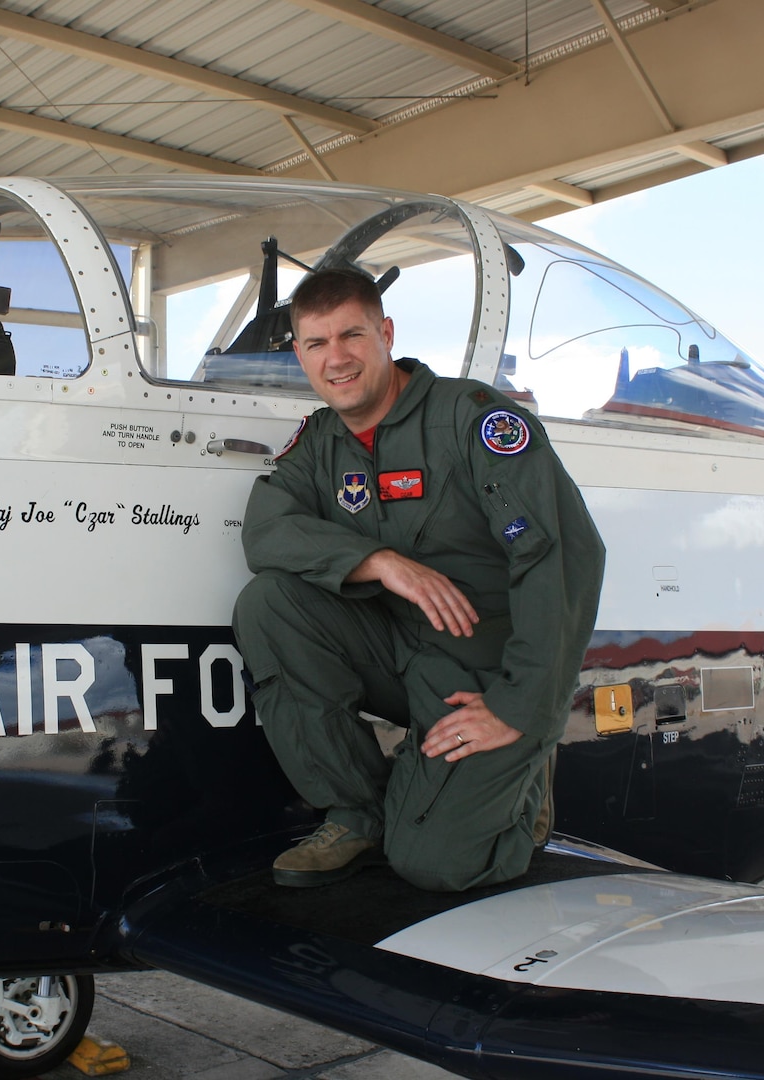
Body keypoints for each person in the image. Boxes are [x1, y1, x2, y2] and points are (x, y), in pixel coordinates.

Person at [233, 269, 605, 891]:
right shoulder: (322, 440)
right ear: (299, 354)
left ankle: (523, 793)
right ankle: (357, 811)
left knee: (432, 864)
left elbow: (563, 557)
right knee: (271, 603)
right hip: (397, 649)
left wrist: (520, 707)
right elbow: (265, 532)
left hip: (481, 672)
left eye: (352, 335)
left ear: (385, 333)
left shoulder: (472, 420)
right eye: (317, 344)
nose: (337, 358)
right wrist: (380, 561)